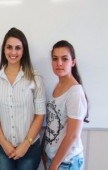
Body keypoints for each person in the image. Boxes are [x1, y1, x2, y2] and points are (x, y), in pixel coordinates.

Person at [0, 27, 46, 170]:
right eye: (9, 47)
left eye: (18, 48)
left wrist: (26, 144)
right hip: (4, 148)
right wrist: (4, 142)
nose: (13, 52)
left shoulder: (35, 78)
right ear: (4, 49)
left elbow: (40, 115)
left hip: (30, 148)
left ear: (23, 50)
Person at [42, 40, 88, 170]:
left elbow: (73, 135)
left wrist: (54, 165)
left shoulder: (75, 92)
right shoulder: (58, 85)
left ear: (73, 62)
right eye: (55, 58)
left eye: (65, 59)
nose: (59, 63)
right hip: (55, 159)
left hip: (67, 162)